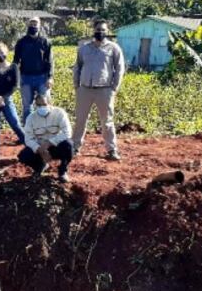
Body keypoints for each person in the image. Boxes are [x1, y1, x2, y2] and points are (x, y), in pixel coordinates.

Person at [73, 18, 125, 161]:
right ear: (93, 30)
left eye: (103, 30)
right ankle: (75, 147)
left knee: (107, 121)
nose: (100, 32)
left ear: (107, 31)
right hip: (85, 90)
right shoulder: (84, 48)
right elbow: (77, 66)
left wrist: (114, 88)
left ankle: (111, 150)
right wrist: (77, 85)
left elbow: (120, 69)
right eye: (98, 30)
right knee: (80, 120)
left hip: (105, 90)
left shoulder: (114, 48)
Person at [18, 92, 76, 183]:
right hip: (40, 148)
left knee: (69, 146)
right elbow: (28, 139)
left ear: (50, 103)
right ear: (35, 105)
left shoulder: (59, 113)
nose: (42, 107)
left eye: (44, 104)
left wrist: (49, 143)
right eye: (39, 105)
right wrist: (40, 149)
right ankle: (39, 167)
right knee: (24, 155)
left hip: (56, 145)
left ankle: (62, 171)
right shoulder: (31, 118)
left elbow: (67, 132)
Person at [0, 43, 26, 161]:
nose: (0, 55)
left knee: (15, 123)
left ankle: (31, 148)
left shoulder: (13, 67)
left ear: (7, 52)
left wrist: (3, 97)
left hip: (6, 99)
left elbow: (14, 85)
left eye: (2, 52)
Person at [13, 17, 54, 121]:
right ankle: (28, 133)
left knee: (45, 104)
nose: (33, 26)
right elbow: (16, 61)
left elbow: (50, 61)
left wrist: (50, 77)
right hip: (25, 78)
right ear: (28, 25)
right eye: (31, 24)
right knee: (27, 107)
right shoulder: (21, 42)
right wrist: (16, 77)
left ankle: (46, 130)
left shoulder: (45, 42)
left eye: (35, 24)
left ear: (39, 26)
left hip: (42, 78)